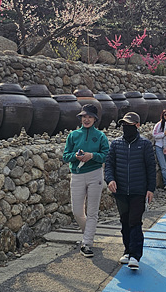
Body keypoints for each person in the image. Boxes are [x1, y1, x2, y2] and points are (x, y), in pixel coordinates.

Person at [104, 112, 156, 271]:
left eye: (129, 125)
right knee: (125, 221)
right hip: (120, 191)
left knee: (135, 221)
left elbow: (151, 168)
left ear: (137, 125)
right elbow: (109, 165)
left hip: (138, 190)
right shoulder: (116, 144)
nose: (126, 127)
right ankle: (127, 250)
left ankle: (135, 255)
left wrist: (150, 189)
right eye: (124, 125)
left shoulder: (145, 144)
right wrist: (110, 180)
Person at [62, 104, 109, 258]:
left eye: (89, 117)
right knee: (77, 212)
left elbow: (106, 155)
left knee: (92, 211)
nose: (86, 119)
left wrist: (92, 156)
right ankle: (87, 234)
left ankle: (87, 243)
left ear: (95, 119)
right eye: (84, 116)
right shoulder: (73, 135)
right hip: (77, 174)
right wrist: (75, 156)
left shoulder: (101, 136)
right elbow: (65, 156)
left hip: (95, 174)